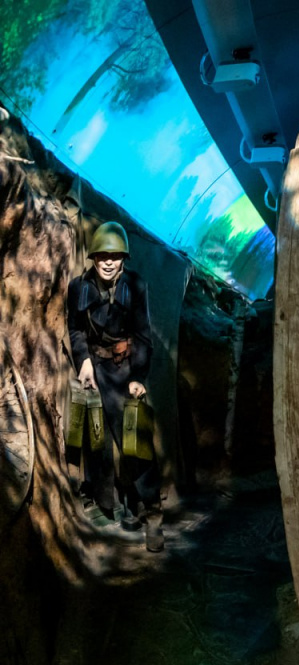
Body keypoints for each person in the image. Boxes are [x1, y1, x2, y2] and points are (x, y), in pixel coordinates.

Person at [68, 221, 163, 552]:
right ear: (94, 257)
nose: (109, 262)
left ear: (124, 258)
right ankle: (118, 506)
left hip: (126, 372)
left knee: (135, 443)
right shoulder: (79, 287)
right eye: (103, 256)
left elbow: (143, 337)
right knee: (98, 443)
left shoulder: (135, 285)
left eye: (115, 256)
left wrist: (138, 376)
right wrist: (82, 361)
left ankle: (152, 515)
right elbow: (75, 328)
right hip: (94, 372)